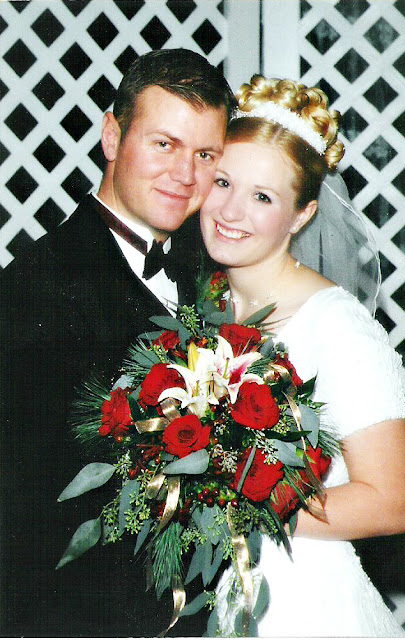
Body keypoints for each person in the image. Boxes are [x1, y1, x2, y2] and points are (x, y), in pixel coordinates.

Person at [0, 48, 235, 637]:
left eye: (205, 155)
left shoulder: (214, 273)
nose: (185, 174)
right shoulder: (33, 290)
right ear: (111, 136)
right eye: (164, 144)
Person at [199, 74, 405, 636]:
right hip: (211, 589)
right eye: (223, 182)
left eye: (262, 197)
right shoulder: (202, 304)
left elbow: (393, 503)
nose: (230, 210)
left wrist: (233, 506)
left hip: (302, 599)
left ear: (302, 215)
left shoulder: (337, 326)